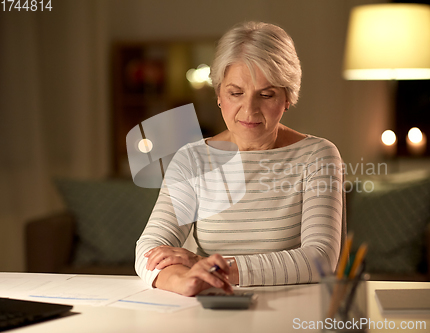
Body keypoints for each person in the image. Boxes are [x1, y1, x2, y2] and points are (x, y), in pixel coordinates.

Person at [135, 21, 345, 297]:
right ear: (219, 94)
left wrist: (212, 267)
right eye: (236, 93)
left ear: (288, 98)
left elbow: (320, 260)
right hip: (213, 309)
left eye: (266, 94)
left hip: (291, 311)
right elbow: (150, 250)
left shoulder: (318, 155)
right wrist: (184, 281)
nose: (249, 110)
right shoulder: (193, 159)